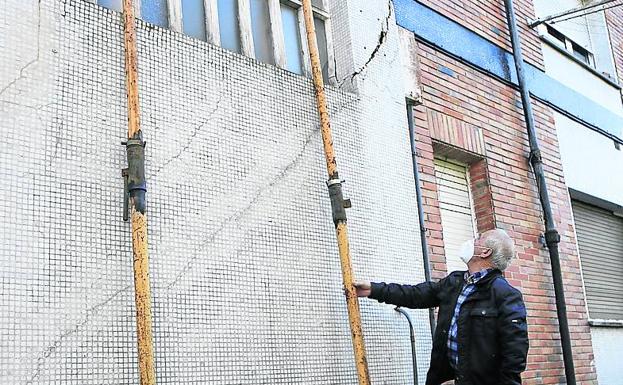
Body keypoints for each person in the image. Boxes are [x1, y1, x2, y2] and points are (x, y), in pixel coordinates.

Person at [355, 229, 529, 385]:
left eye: (478, 238)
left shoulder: (505, 294)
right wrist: (373, 289)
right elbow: (415, 294)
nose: (472, 240)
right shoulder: (455, 282)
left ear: (485, 252)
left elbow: (514, 355)